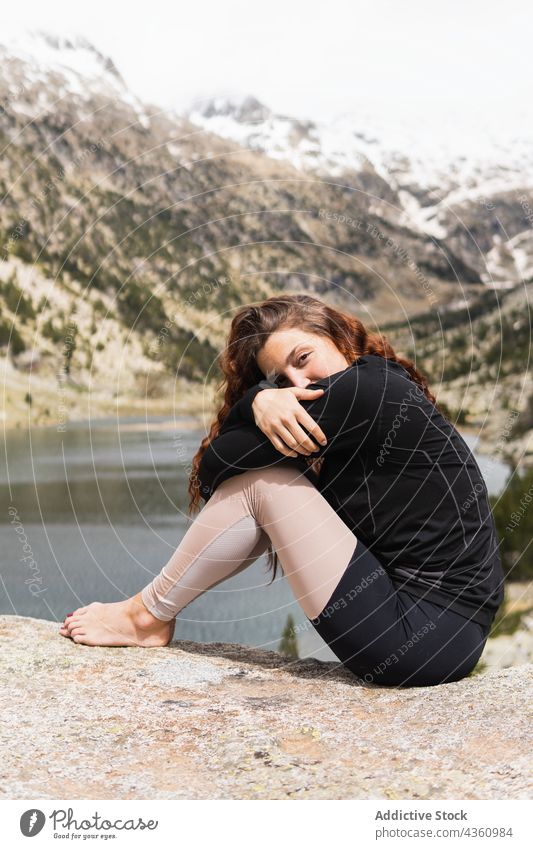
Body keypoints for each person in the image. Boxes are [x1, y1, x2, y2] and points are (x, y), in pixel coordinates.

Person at [59, 294, 504, 687]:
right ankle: (147, 616)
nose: (299, 384)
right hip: (436, 632)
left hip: (423, 636)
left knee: (263, 483)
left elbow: (221, 464)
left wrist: (254, 403)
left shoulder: (369, 389)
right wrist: (258, 402)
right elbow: (222, 464)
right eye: (279, 380)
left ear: (339, 340)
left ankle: (146, 616)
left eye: (303, 357)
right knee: (265, 478)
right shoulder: (364, 395)